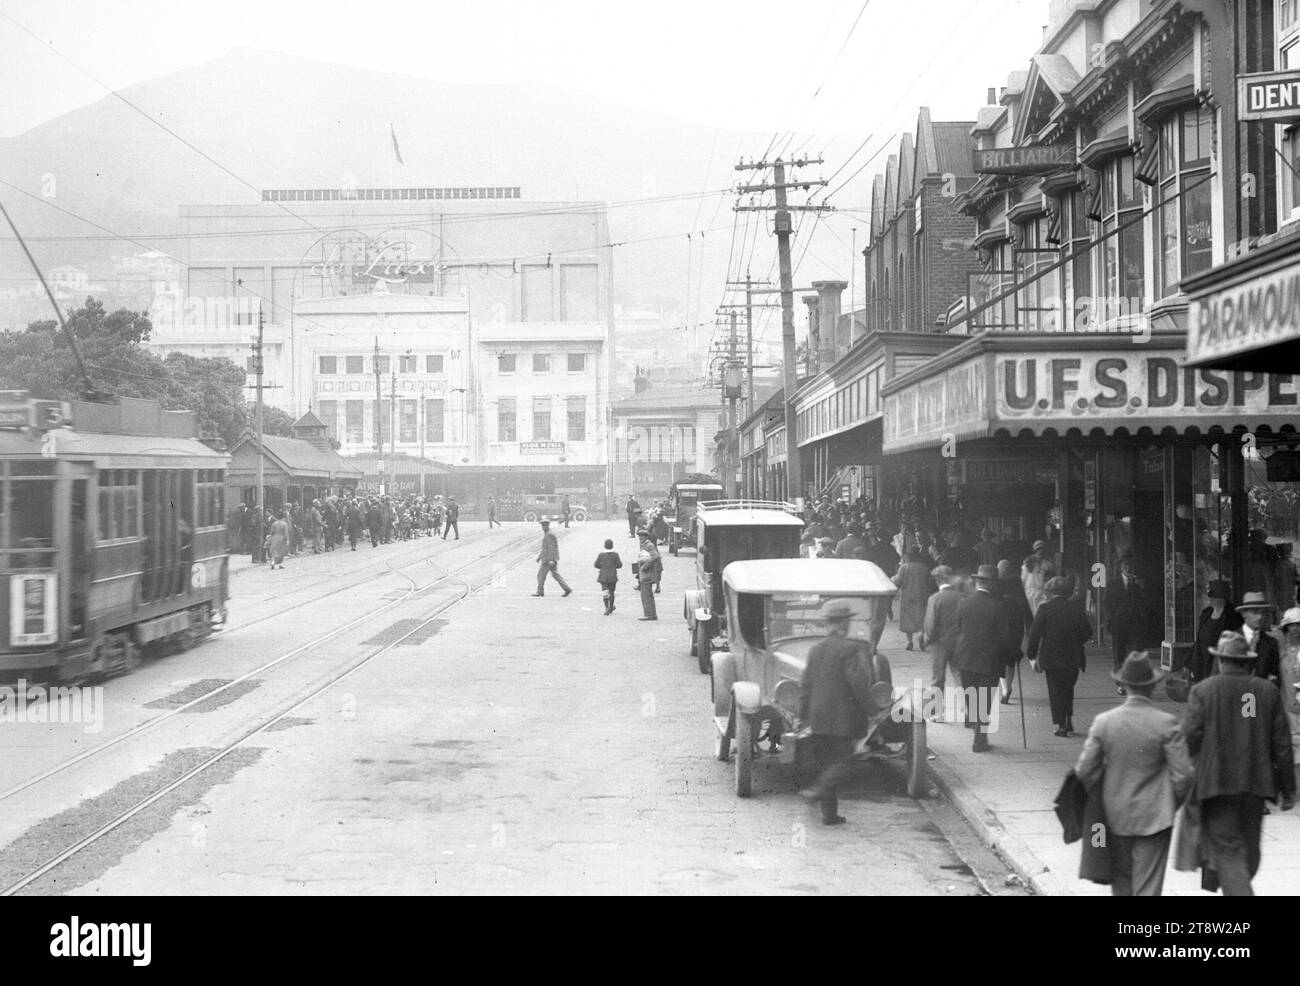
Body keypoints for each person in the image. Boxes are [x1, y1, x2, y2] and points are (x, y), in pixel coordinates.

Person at [1074, 652, 1194, 896]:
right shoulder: (1167, 723)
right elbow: (1184, 775)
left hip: (1114, 815)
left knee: (1121, 885)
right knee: (1148, 888)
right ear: (1152, 686)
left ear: (1123, 684)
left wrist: (1101, 797)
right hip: (1156, 817)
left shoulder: (1103, 722)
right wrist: (1170, 802)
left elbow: (1085, 771)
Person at [1184, 631, 1296, 895]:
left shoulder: (1203, 691)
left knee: (1228, 849)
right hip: (1255, 785)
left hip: (1217, 785)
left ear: (1221, 661)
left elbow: (1188, 739)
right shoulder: (1267, 690)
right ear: (1247, 662)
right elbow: (1282, 744)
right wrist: (1288, 788)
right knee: (1248, 851)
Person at [797, 602, 867, 825]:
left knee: (826, 763)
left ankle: (829, 814)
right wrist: (873, 710)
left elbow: (805, 685)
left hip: (817, 717)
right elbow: (859, 684)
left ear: (829, 625)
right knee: (845, 761)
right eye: (847, 621)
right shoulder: (851, 649)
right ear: (843, 624)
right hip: (842, 718)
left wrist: (802, 716)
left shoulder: (815, 650)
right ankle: (818, 790)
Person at [1027, 576, 1093, 736]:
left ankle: (1061, 724)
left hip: (1052, 658)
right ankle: (1068, 717)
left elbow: (1034, 634)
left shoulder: (1044, 609)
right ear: (1068, 592)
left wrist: (1032, 656)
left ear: (1050, 592)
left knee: (1055, 691)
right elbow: (1087, 632)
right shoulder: (1076, 609)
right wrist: (1076, 642)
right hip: (1073, 656)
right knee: (1068, 689)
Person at [953, 564, 1008, 752]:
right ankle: (979, 739)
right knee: (984, 700)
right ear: (992, 583)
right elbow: (1004, 637)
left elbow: (958, 629)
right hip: (989, 660)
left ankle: (975, 725)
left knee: (972, 696)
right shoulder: (998, 606)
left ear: (978, 582)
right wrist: (1010, 656)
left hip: (966, 658)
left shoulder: (963, 602)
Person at [923, 565, 963, 720]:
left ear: (938, 580)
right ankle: (966, 710)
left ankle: (938, 713)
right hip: (959, 642)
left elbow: (930, 625)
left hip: (939, 645)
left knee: (937, 679)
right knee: (960, 676)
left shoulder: (934, 599)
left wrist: (928, 640)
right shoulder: (962, 597)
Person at [1104, 551, 1147, 688]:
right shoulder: (1113, 583)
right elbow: (1106, 602)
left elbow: (1143, 603)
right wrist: (1112, 617)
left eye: (1130, 565)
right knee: (1119, 653)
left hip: (1135, 624)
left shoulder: (1138, 583)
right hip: (1119, 623)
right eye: (1126, 565)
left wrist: (1140, 587)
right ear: (1121, 567)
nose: (1128, 568)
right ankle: (1121, 683)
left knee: (1136, 653)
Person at [995, 558, 1034, 704]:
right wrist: (1030, 630)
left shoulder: (997, 587)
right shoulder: (1018, 587)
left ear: (1001, 570)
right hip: (1015, 630)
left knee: (1000, 660)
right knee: (1010, 661)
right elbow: (1027, 613)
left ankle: (1004, 688)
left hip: (999, 630)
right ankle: (1007, 688)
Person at [1191, 580, 1243, 682]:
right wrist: (1190, 664)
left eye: (1212, 596)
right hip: (1203, 664)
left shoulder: (1233, 617)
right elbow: (1199, 641)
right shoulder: (1206, 614)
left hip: (1222, 667)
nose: (1209, 599)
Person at [1237, 591, 1280, 684]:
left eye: (1263, 613)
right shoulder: (1231, 639)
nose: (1260, 617)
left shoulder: (1271, 643)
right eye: (1255, 612)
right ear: (1244, 614)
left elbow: (1275, 675)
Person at [892, 549, 932, 651]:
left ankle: (909, 641)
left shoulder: (904, 567)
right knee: (921, 617)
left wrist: (892, 579)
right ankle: (921, 635)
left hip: (907, 597)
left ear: (907, 557)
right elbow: (929, 583)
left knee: (907, 619)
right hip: (922, 596)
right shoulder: (924, 568)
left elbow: (897, 582)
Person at [1277, 607, 1300, 760]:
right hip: (1287, 708)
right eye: (1293, 625)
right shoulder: (1279, 652)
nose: (1297, 629)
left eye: (1299, 625)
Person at [532, 519, 572, 597]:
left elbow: (551, 548)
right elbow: (545, 548)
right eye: (542, 526)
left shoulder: (549, 535)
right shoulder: (548, 533)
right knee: (555, 575)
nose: (542, 527)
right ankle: (567, 589)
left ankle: (540, 591)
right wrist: (539, 557)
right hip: (550, 558)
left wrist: (551, 560)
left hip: (548, 560)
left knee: (540, 575)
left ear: (546, 526)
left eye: (543, 526)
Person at [635, 532, 661, 620]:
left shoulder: (649, 545)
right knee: (646, 594)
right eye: (639, 536)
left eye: (642, 536)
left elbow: (655, 557)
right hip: (644, 573)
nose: (640, 538)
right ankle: (651, 614)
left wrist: (645, 566)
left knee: (646, 595)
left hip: (647, 573)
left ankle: (649, 614)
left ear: (646, 537)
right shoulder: (644, 545)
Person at [594, 539, 623, 615]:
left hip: (603, 576)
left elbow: (596, 565)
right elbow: (619, 565)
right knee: (612, 592)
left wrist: (602, 567)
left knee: (605, 592)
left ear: (604, 546)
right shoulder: (616, 555)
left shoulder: (601, 555)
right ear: (612, 546)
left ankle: (606, 607)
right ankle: (611, 607)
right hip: (612, 576)